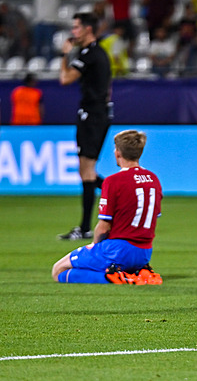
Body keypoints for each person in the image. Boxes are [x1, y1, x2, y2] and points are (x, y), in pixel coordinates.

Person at [51, 130, 163, 284]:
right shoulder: (153, 179)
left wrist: (94, 247)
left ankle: (116, 277)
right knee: (89, 267)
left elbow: (103, 227)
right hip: (144, 252)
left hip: (117, 250)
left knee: (58, 271)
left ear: (118, 153)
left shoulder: (113, 181)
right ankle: (140, 273)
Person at [58, 12, 113, 241]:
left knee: (87, 170)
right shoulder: (95, 53)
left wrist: (65, 56)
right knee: (86, 171)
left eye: (77, 27)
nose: (74, 32)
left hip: (93, 115)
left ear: (88, 29)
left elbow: (65, 78)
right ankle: (121, 193)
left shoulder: (90, 54)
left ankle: (84, 227)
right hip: (95, 114)